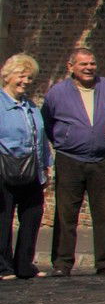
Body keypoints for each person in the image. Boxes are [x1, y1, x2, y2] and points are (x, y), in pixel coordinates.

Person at [42, 48, 105, 277]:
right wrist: (65, 140)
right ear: (71, 67)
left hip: (103, 159)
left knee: (104, 213)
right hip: (70, 159)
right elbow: (48, 121)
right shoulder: (57, 93)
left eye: (92, 63)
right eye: (83, 64)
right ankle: (62, 262)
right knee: (66, 213)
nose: (89, 68)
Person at [0, 53, 50, 280]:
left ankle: (24, 265)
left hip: (31, 171)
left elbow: (41, 139)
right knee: (3, 218)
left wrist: (46, 167)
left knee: (32, 215)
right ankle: (3, 266)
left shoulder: (30, 106)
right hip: (5, 170)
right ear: (7, 76)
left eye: (29, 78)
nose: (26, 82)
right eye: (21, 76)